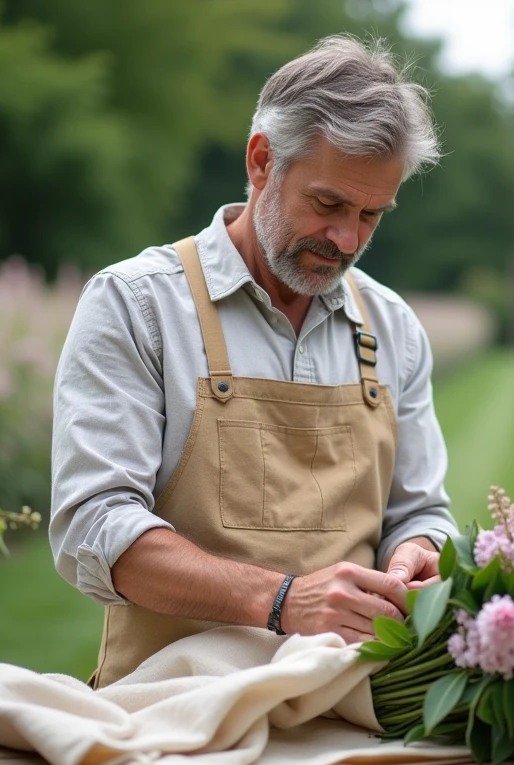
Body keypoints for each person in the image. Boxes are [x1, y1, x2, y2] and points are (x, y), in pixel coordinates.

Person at [49, 35, 459, 688]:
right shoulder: (137, 305)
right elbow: (95, 530)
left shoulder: (392, 327)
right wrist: (279, 601)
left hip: (351, 711)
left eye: (371, 215)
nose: (348, 239)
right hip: (170, 714)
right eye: (327, 205)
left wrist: (417, 554)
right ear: (263, 160)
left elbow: (419, 513)